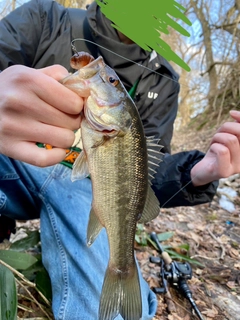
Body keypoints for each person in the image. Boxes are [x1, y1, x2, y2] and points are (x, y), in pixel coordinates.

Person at [0, 1, 240, 319]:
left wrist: (197, 172)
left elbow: (146, 173)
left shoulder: (163, 79)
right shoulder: (44, 19)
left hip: (86, 188)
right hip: (11, 172)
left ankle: (120, 272)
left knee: (116, 313)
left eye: (112, 83)